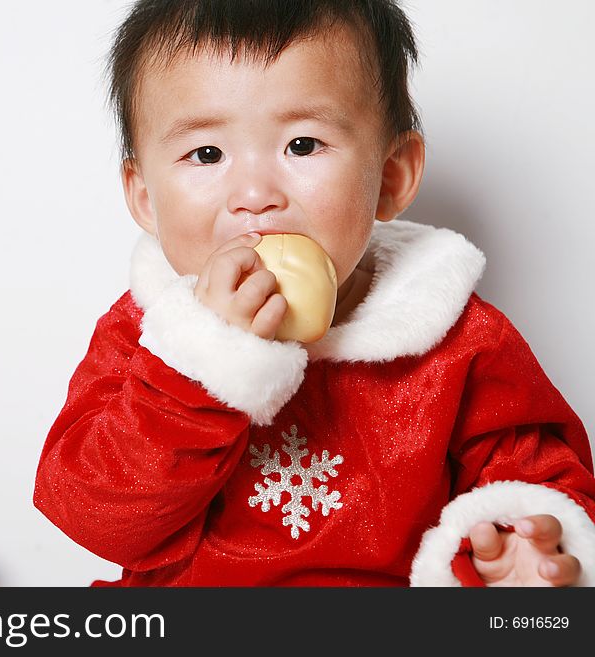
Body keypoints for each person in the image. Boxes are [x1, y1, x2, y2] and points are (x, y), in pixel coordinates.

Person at [33, 0, 595, 586]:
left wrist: (519, 549)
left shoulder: (458, 338)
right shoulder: (149, 337)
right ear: (145, 198)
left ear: (391, 177)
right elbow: (95, 517)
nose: (254, 194)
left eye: (302, 145)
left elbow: (537, 477)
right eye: (206, 154)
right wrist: (197, 370)